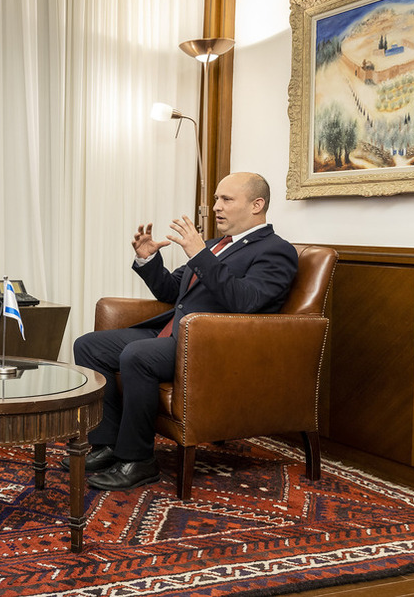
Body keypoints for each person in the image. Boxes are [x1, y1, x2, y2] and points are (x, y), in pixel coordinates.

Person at [71, 172, 298, 491]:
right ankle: (107, 444)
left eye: (227, 199)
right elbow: (170, 289)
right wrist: (147, 257)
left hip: (212, 347)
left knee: (137, 355)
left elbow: (246, 303)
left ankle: (138, 461)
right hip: (172, 335)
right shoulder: (215, 246)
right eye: (217, 198)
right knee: (89, 346)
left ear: (257, 205)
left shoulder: (276, 251)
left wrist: (200, 255)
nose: (217, 206)